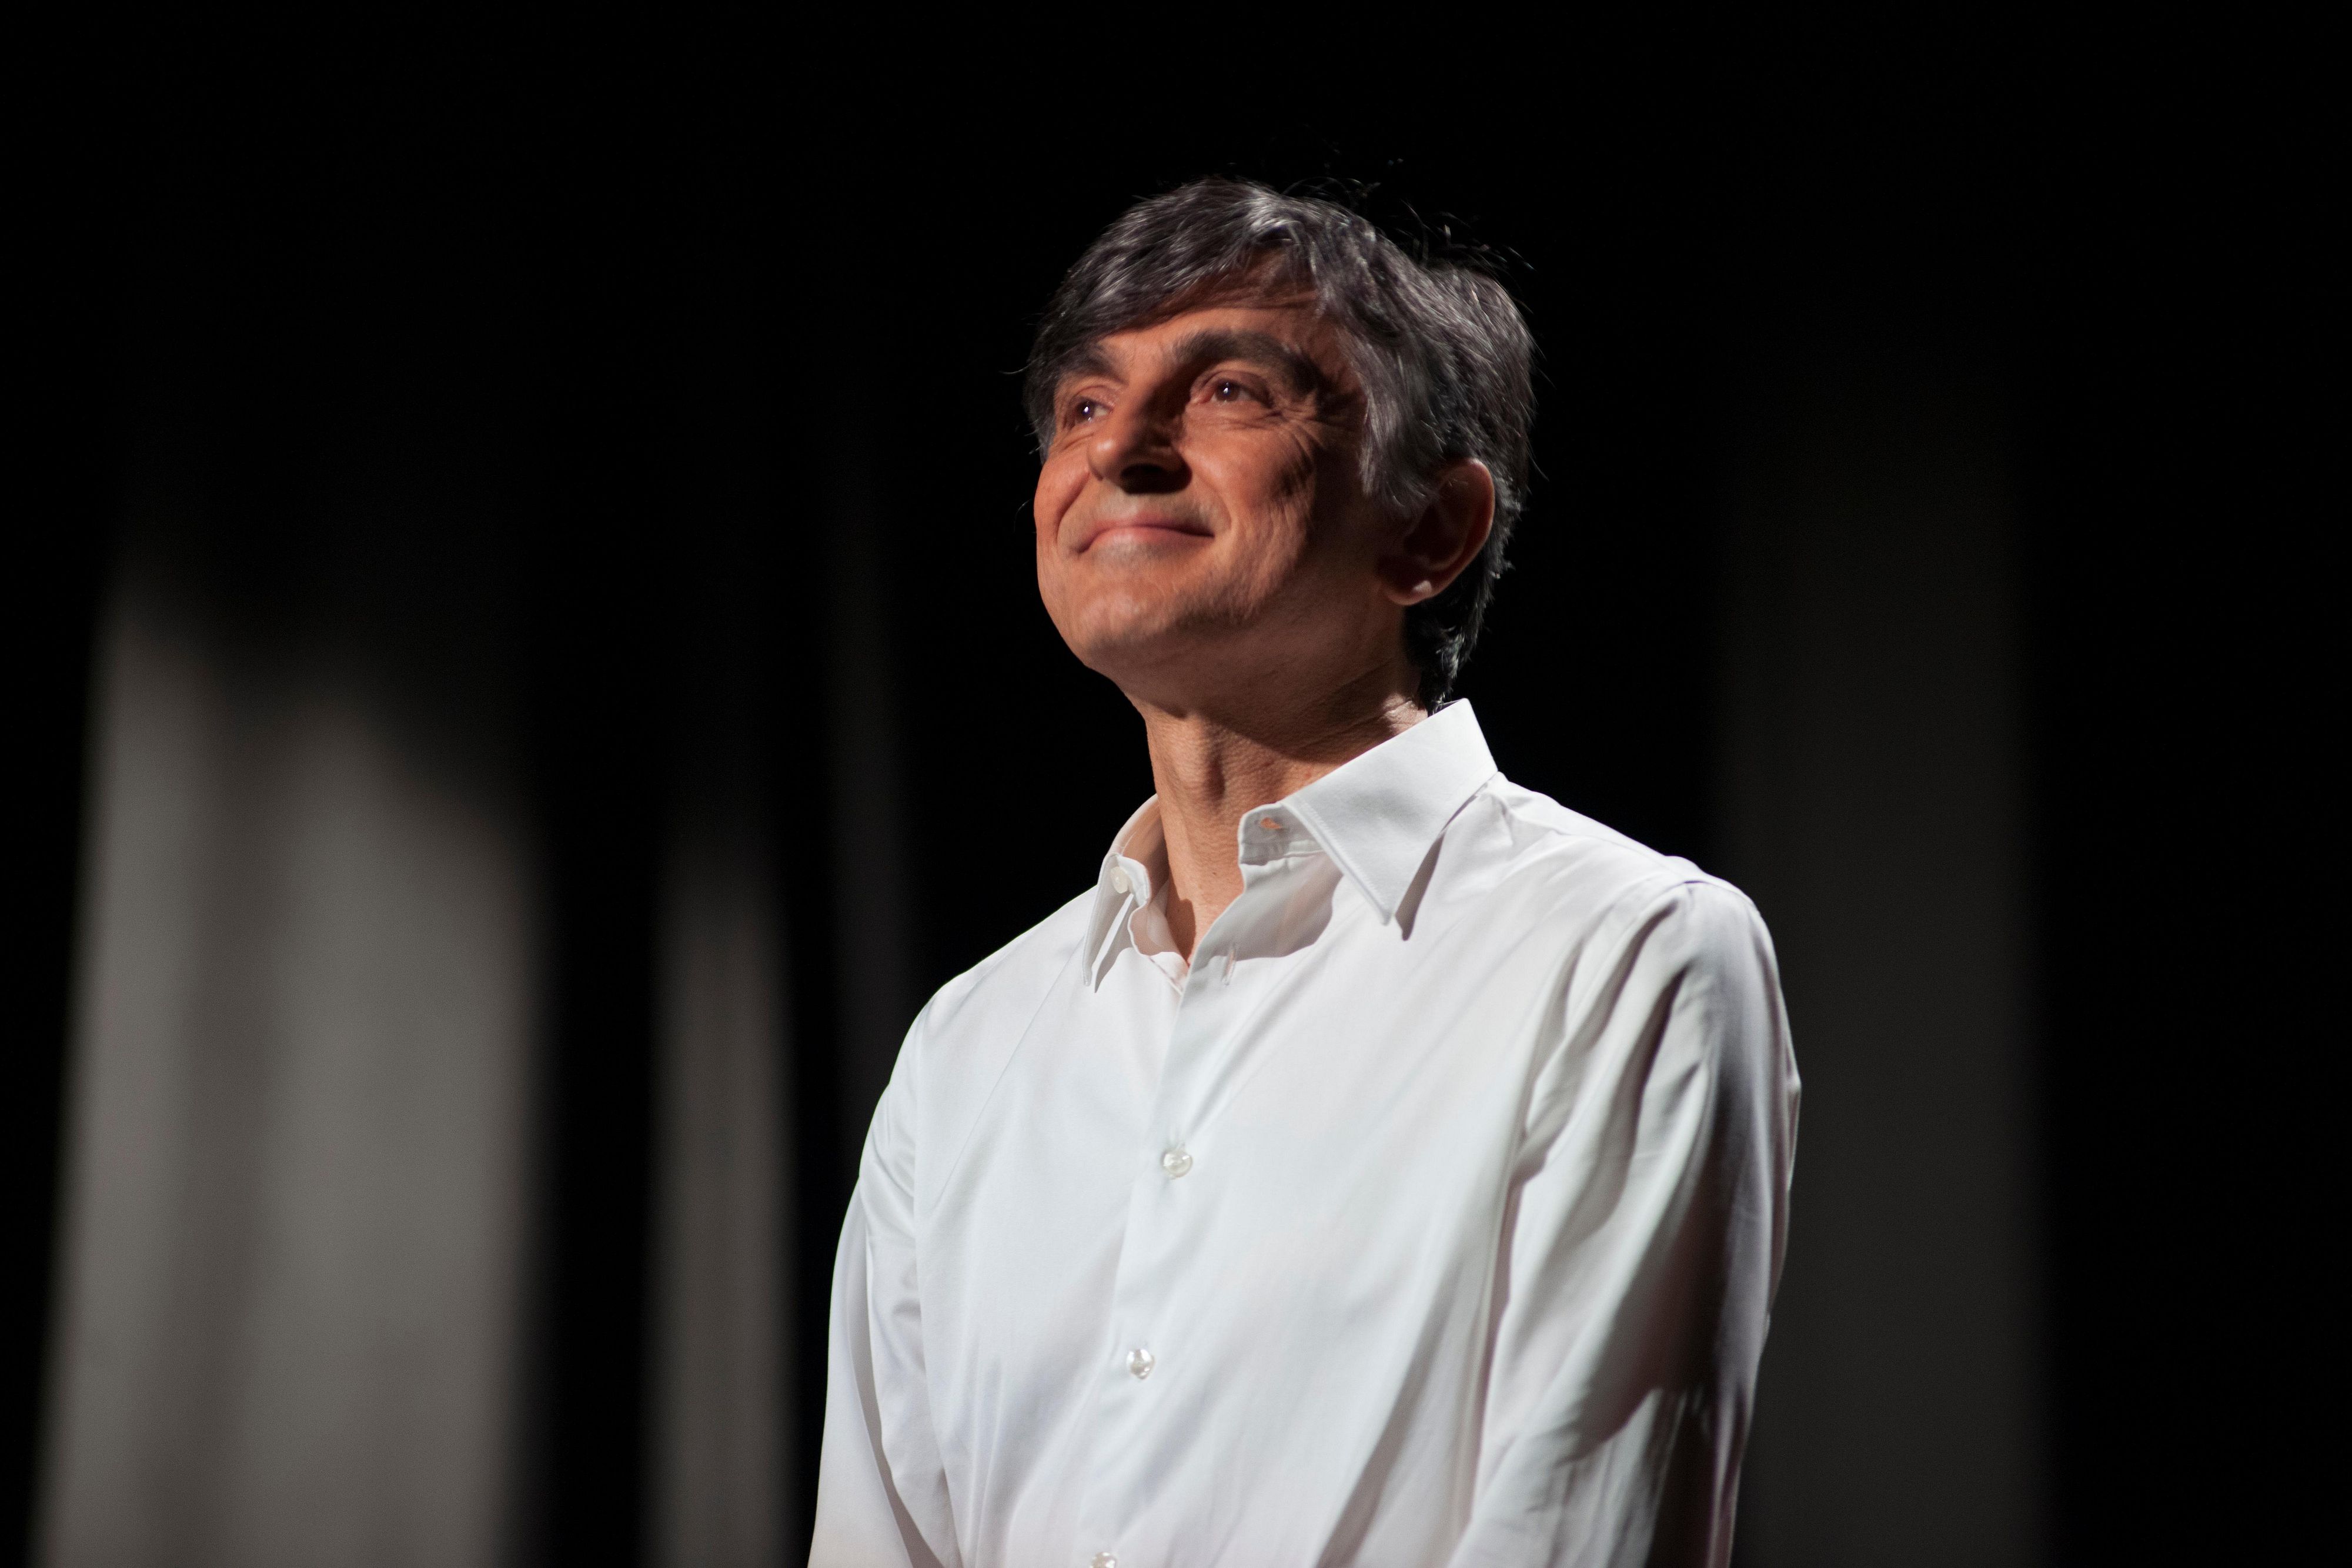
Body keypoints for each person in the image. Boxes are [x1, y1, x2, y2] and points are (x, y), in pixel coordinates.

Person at [813, 178, 1800, 1567]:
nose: (1119, 451)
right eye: (1084, 405)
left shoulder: (1621, 954)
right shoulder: (968, 1045)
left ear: (1429, 529)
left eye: (1227, 391)